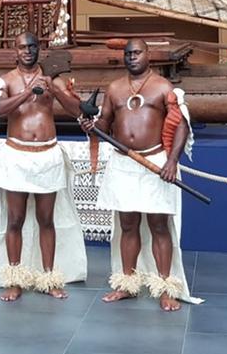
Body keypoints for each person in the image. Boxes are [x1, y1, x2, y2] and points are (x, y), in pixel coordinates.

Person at [81, 38, 201, 311]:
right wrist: (91, 126)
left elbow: (181, 125)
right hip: (123, 163)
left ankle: (165, 288)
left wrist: (172, 161)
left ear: (148, 55)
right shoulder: (115, 88)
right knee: (127, 225)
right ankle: (127, 284)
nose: (132, 57)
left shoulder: (163, 86)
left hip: (154, 161)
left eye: (137, 53)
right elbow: (104, 123)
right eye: (128, 54)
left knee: (159, 226)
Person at [0, 32, 87, 301]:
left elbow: (75, 109)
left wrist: (54, 89)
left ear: (38, 49)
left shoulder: (52, 78)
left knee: (46, 220)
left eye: (32, 47)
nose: (27, 51)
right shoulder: (6, 80)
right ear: (15, 50)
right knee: (15, 220)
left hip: (47, 154)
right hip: (17, 155)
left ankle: (49, 278)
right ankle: (14, 280)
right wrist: (27, 93)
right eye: (22, 47)